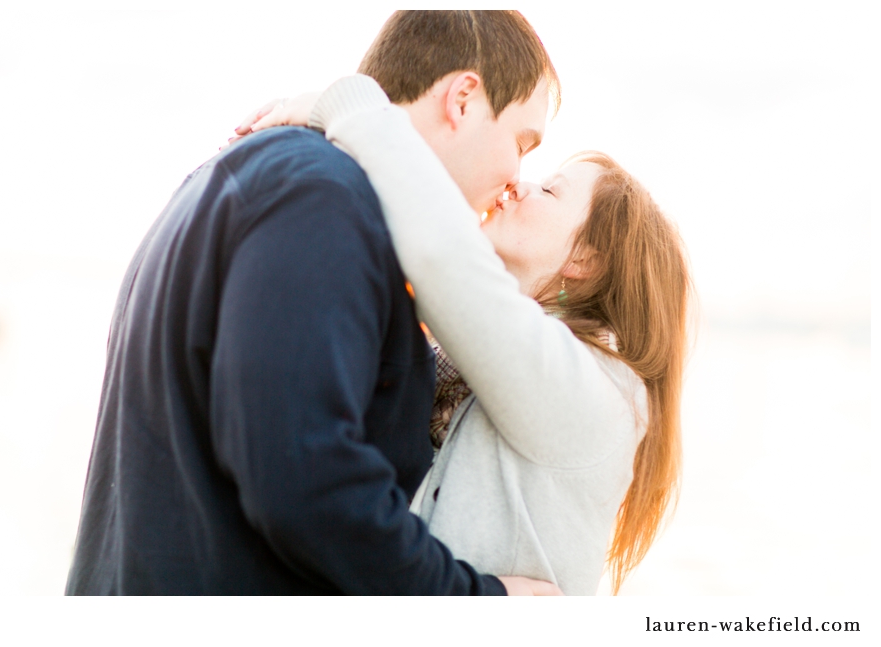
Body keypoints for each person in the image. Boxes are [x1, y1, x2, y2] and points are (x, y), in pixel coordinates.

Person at [65, 11, 562, 595]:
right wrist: (478, 602)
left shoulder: (261, 179)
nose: (514, 179)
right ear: (463, 99)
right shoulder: (322, 199)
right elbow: (304, 476)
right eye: (522, 144)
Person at [236, 74, 692, 595]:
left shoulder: (595, 391)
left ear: (585, 260)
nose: (519, 183)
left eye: (549, 189)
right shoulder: (483, 364)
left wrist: (343, 104)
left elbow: (443, 255)